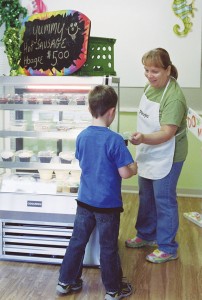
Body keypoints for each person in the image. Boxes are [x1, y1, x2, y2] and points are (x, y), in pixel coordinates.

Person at [56, 85, 137, 299]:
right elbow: (125, 173)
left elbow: (83, 161)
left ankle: (65, 281)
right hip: (107, 205)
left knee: (77, 242)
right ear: (112, 112)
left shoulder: (82, 136)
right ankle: (112, 289)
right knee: (108, 246)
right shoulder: (115, 140)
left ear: (91, 110)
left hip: (84, 201)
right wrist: (135, 166)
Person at [125, 48, 188, 264]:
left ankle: (168, 247)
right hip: (149, 150)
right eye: (146, 70)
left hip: (168, 154)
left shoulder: (174, 98)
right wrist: (142, 140)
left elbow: (167, 133)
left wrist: (142, 138)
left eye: (155, 71)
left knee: (164, 200)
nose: (150, 75)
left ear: (168, 70)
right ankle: (146, 234)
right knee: (146, 196)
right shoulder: (150, 88)